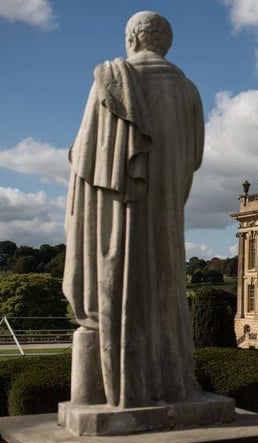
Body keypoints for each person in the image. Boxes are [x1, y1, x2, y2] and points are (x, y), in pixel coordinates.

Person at [63, 11, 204, 408]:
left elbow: (87, 159)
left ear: (132, 39)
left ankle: (124, 385)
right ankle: (171, 380)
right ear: (165, 43)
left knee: (118, 283)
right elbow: (193, 158)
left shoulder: (111, 79)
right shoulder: (189, 90)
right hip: (167, 214)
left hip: (121, 212)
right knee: (164, 286)